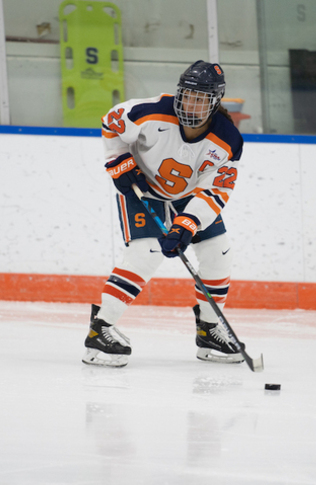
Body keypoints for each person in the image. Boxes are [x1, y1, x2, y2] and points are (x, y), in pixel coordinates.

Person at [82, 60, 244, 368]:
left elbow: (215, 191)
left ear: (215, 102)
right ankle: (99, 330)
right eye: (187, 95)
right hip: (143, 190)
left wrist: (186, 225)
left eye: (201, 98)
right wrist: (118, 160)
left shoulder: (227, 140)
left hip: (190, 197)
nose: (190, 104)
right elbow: (110, 123)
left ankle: (209, 329)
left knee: (218, 251)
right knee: (147, 252)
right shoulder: (148, 112)